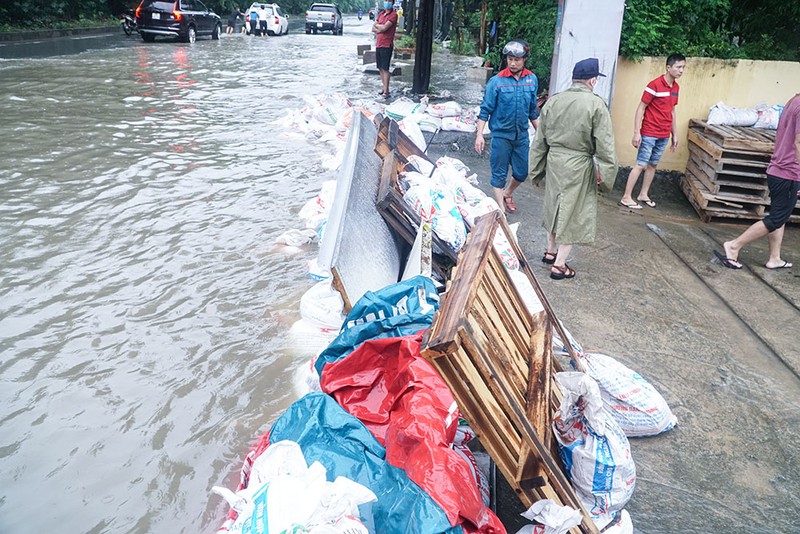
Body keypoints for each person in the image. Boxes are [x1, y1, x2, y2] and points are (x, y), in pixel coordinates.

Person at [529, 58, 618, 280]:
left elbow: (540, 141)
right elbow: (606, 146)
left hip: (555, 161)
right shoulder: (596, 105)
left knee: (554, 207)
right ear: (593, 80)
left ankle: (550, 252)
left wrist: (536, 171)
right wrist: (606, 179)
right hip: (578, 165)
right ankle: (559, 266)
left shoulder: (553, 101)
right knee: (573, 213)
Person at [716, 93, 800, 270]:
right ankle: (734, 246)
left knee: (780, 216)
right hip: (789, 172)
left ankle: (774, 258)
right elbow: (799, 141)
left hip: (778, 169)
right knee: (777, 218)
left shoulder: (794, 100)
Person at [474, 39, 540, 213]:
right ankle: (500, 209)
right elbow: (484, 110)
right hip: (501, 136)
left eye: (517, 59)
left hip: (521, 136)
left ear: (525, 59)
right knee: (499, 174)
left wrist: (541, 134)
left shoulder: (531, 80)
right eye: (510, 59)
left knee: (522, 172)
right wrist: (479, 135)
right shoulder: (496, 82)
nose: (512, 63)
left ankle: (508, 193)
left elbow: (533, 110)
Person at [618, 53, 686, 209]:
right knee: (641, 164)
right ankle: (626, 197)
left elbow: (672, 111)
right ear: (668, 68)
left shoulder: (676, 88)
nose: (681, 70)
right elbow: (641, 108)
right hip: (649, 132)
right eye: (679, 67)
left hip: (663, 134)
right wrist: (637, 132)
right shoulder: (654, 85)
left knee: (653, 165)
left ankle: (643, 194)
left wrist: (674, 134)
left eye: (683, 67)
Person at [372, 2, 398, 99]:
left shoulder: (393, 15)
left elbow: (384, 28)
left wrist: (379, 26)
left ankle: (386, 91)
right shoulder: (381, 14)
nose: (387, 2)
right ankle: (384, 88)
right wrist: (380, 28)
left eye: (389, 0)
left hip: (387, 45)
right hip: (379, 44)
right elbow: (373, 28)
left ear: (392, 2)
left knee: (385, 68)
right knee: (380, 67)